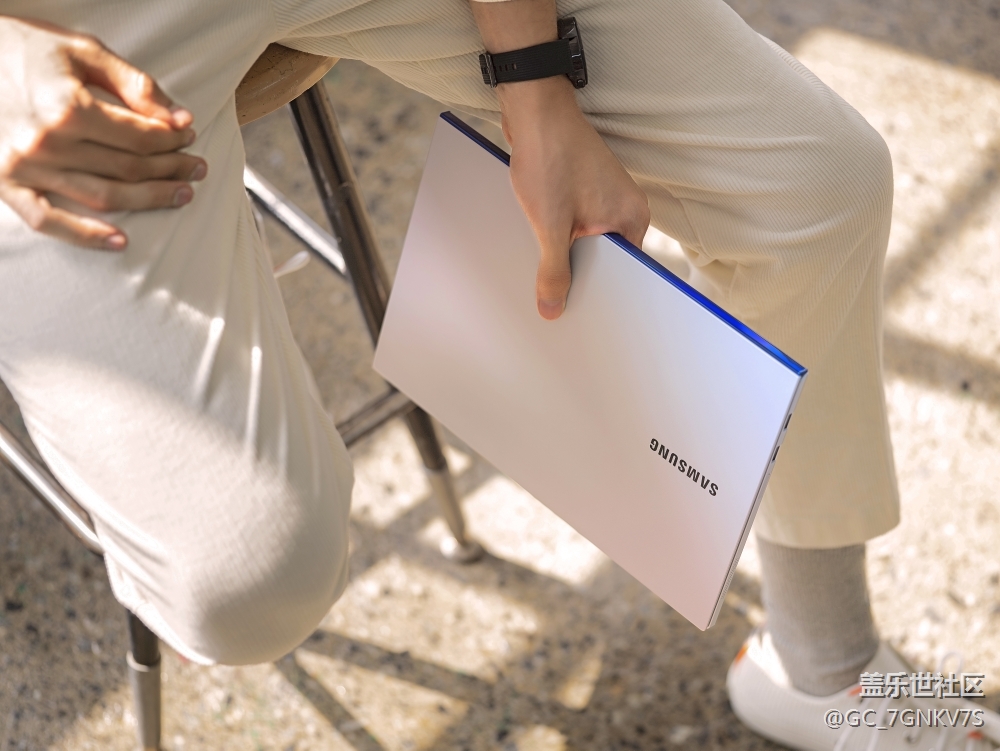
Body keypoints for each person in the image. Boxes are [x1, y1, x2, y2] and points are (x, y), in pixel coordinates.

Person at [1, 1, 996, 747]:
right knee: (248, 573)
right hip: (70, 34)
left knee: (816, 182)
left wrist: (535, 80)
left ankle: (824, 662)